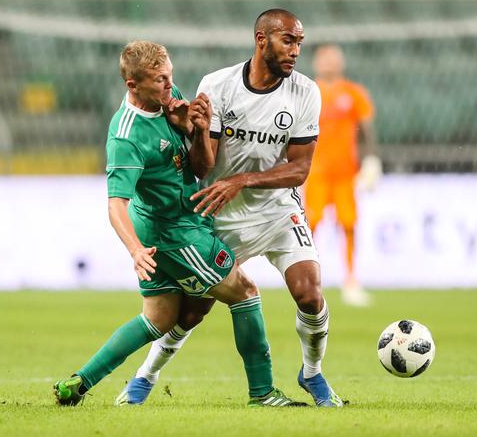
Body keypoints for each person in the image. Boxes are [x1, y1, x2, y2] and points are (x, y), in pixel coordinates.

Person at [53, 40, 304, 408]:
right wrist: (135, 250)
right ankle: (263, 393)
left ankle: (79, 382)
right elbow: (115, 205)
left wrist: (196, 127)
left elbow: (199, 163)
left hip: (168, 228)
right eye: (159, 81)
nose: (169, 86)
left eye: (170, 76)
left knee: (159, 318)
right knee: (245, 292)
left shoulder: (168, 98)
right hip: (173, 232)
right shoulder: (127, 136)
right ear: (133, 86)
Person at [118, 9, 344, 408]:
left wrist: (242, 180)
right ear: (262, 40)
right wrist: (202, 132)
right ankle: (145, 376)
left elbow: (300, 169)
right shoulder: (218, 85)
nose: (296, 51)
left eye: (299, 43)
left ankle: (312, 373)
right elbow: (203, 166)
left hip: (276, 211)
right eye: (288, 41)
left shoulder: (306, 91)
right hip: (219, 213)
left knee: (309, 293)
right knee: (191, 313)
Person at [304, 43, 380, 307]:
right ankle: (306, 281)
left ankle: (350, 280)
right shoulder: (307, 92)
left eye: (334, 58)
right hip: (315, 172)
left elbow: (367, 127)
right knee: (310, 227)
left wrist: (371, 159)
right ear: (316, 62)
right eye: (325, 58)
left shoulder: (353, 93)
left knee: (348, 225)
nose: (329, 63)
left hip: (346, 173)